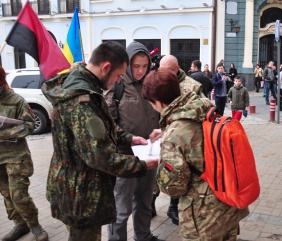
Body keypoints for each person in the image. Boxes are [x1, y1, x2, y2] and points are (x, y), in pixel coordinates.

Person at [41, 41, 159, 240]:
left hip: (79, 187)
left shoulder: (87, 89)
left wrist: (130, 138)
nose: (117, 81)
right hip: (80, 193)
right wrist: (140, 165)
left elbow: (104, 130)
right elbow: (100, 157)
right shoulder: (82, 101)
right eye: (118, 76)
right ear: (105, 68)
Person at [142, 68, 249, 240]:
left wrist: (161, 166)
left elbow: (175, 188)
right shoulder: (205, 108)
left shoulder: (174, 135)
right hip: (228, 200)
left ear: (158, 102)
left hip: (203, 215)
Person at [104, 41, 162, 241]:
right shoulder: (117, 85)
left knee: (145, 201)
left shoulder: (150, 83)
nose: (140, 71)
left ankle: (143, 236)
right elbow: (108, 123)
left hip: (149, 153)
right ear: (128, 64)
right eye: (136, 66)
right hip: (125, 156)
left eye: (145, 66)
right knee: (122, 207)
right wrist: (129, 139)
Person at [0, 66, 48, 241]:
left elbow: (29, 125)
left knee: (18, 195)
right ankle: (19, 225)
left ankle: (35, 226)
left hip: (16, 157)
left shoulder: (16, 100)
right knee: (6, 195)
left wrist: (4, 134)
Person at [158, 54, 204, 225]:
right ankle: (150, 205)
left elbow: (202, 110)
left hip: (185, 139)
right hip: (162, 136)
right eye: (162, 70)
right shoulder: (159, 81)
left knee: (178, 173)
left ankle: (173, 206)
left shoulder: (192, 86)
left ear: (177, 69)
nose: (165, 73)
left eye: (169, 70)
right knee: (161, 173)